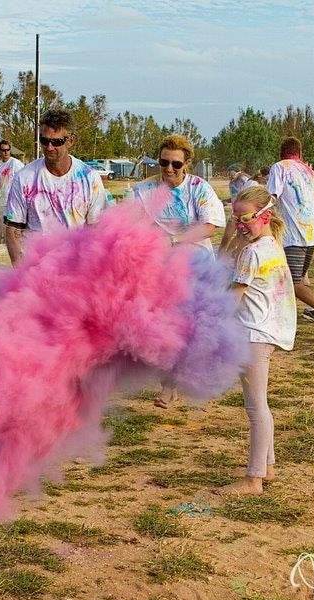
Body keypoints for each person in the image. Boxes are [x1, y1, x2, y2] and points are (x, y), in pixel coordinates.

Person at [131, 134, 227, 407]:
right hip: (158, 271)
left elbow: (210, 225)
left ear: (187, 164)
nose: (169, 170)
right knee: (163, 330)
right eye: (163, 163)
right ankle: (168, 385)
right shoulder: (144, 190)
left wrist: (174, 240)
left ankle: (187, 379)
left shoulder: (199, 188)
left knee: (192, 330)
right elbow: (133, 225)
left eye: (176, 164)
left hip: (196, 269)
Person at [218, 185, 296, 495]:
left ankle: (253, 479)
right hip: (266, 331)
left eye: (245, 218)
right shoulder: (271, 243)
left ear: (264, 216)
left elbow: (234, 297)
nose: (239, 224)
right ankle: (269, 466)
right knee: (260, 404)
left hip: (253, 333)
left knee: (255, 407)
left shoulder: (252, 252)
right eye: (235, 218)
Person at [3, 109, 107, 265]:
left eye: (57, 142)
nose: (49, 147)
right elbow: (13, 231)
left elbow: (95, 231)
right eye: (44, 141)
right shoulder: (24, 178)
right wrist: (21, 275)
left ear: (71, 141)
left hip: (76, 269)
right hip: (36, 269)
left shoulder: (89, 178)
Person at [266, 136, 314, 342]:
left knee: (293, 281)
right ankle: (281, 321)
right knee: (289, 279)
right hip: (311, 232)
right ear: (300, 154)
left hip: (293, 232)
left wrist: (258, 214)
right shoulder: (307, 170)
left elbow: (271, 196)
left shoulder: (279, 167)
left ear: (281, 152)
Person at [0, 139, 25, 204]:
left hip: (15, 201)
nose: (6, 152)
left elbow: (25, 179)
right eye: (3, 150)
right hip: (3, 201)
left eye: (8, 150)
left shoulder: (15, 163)